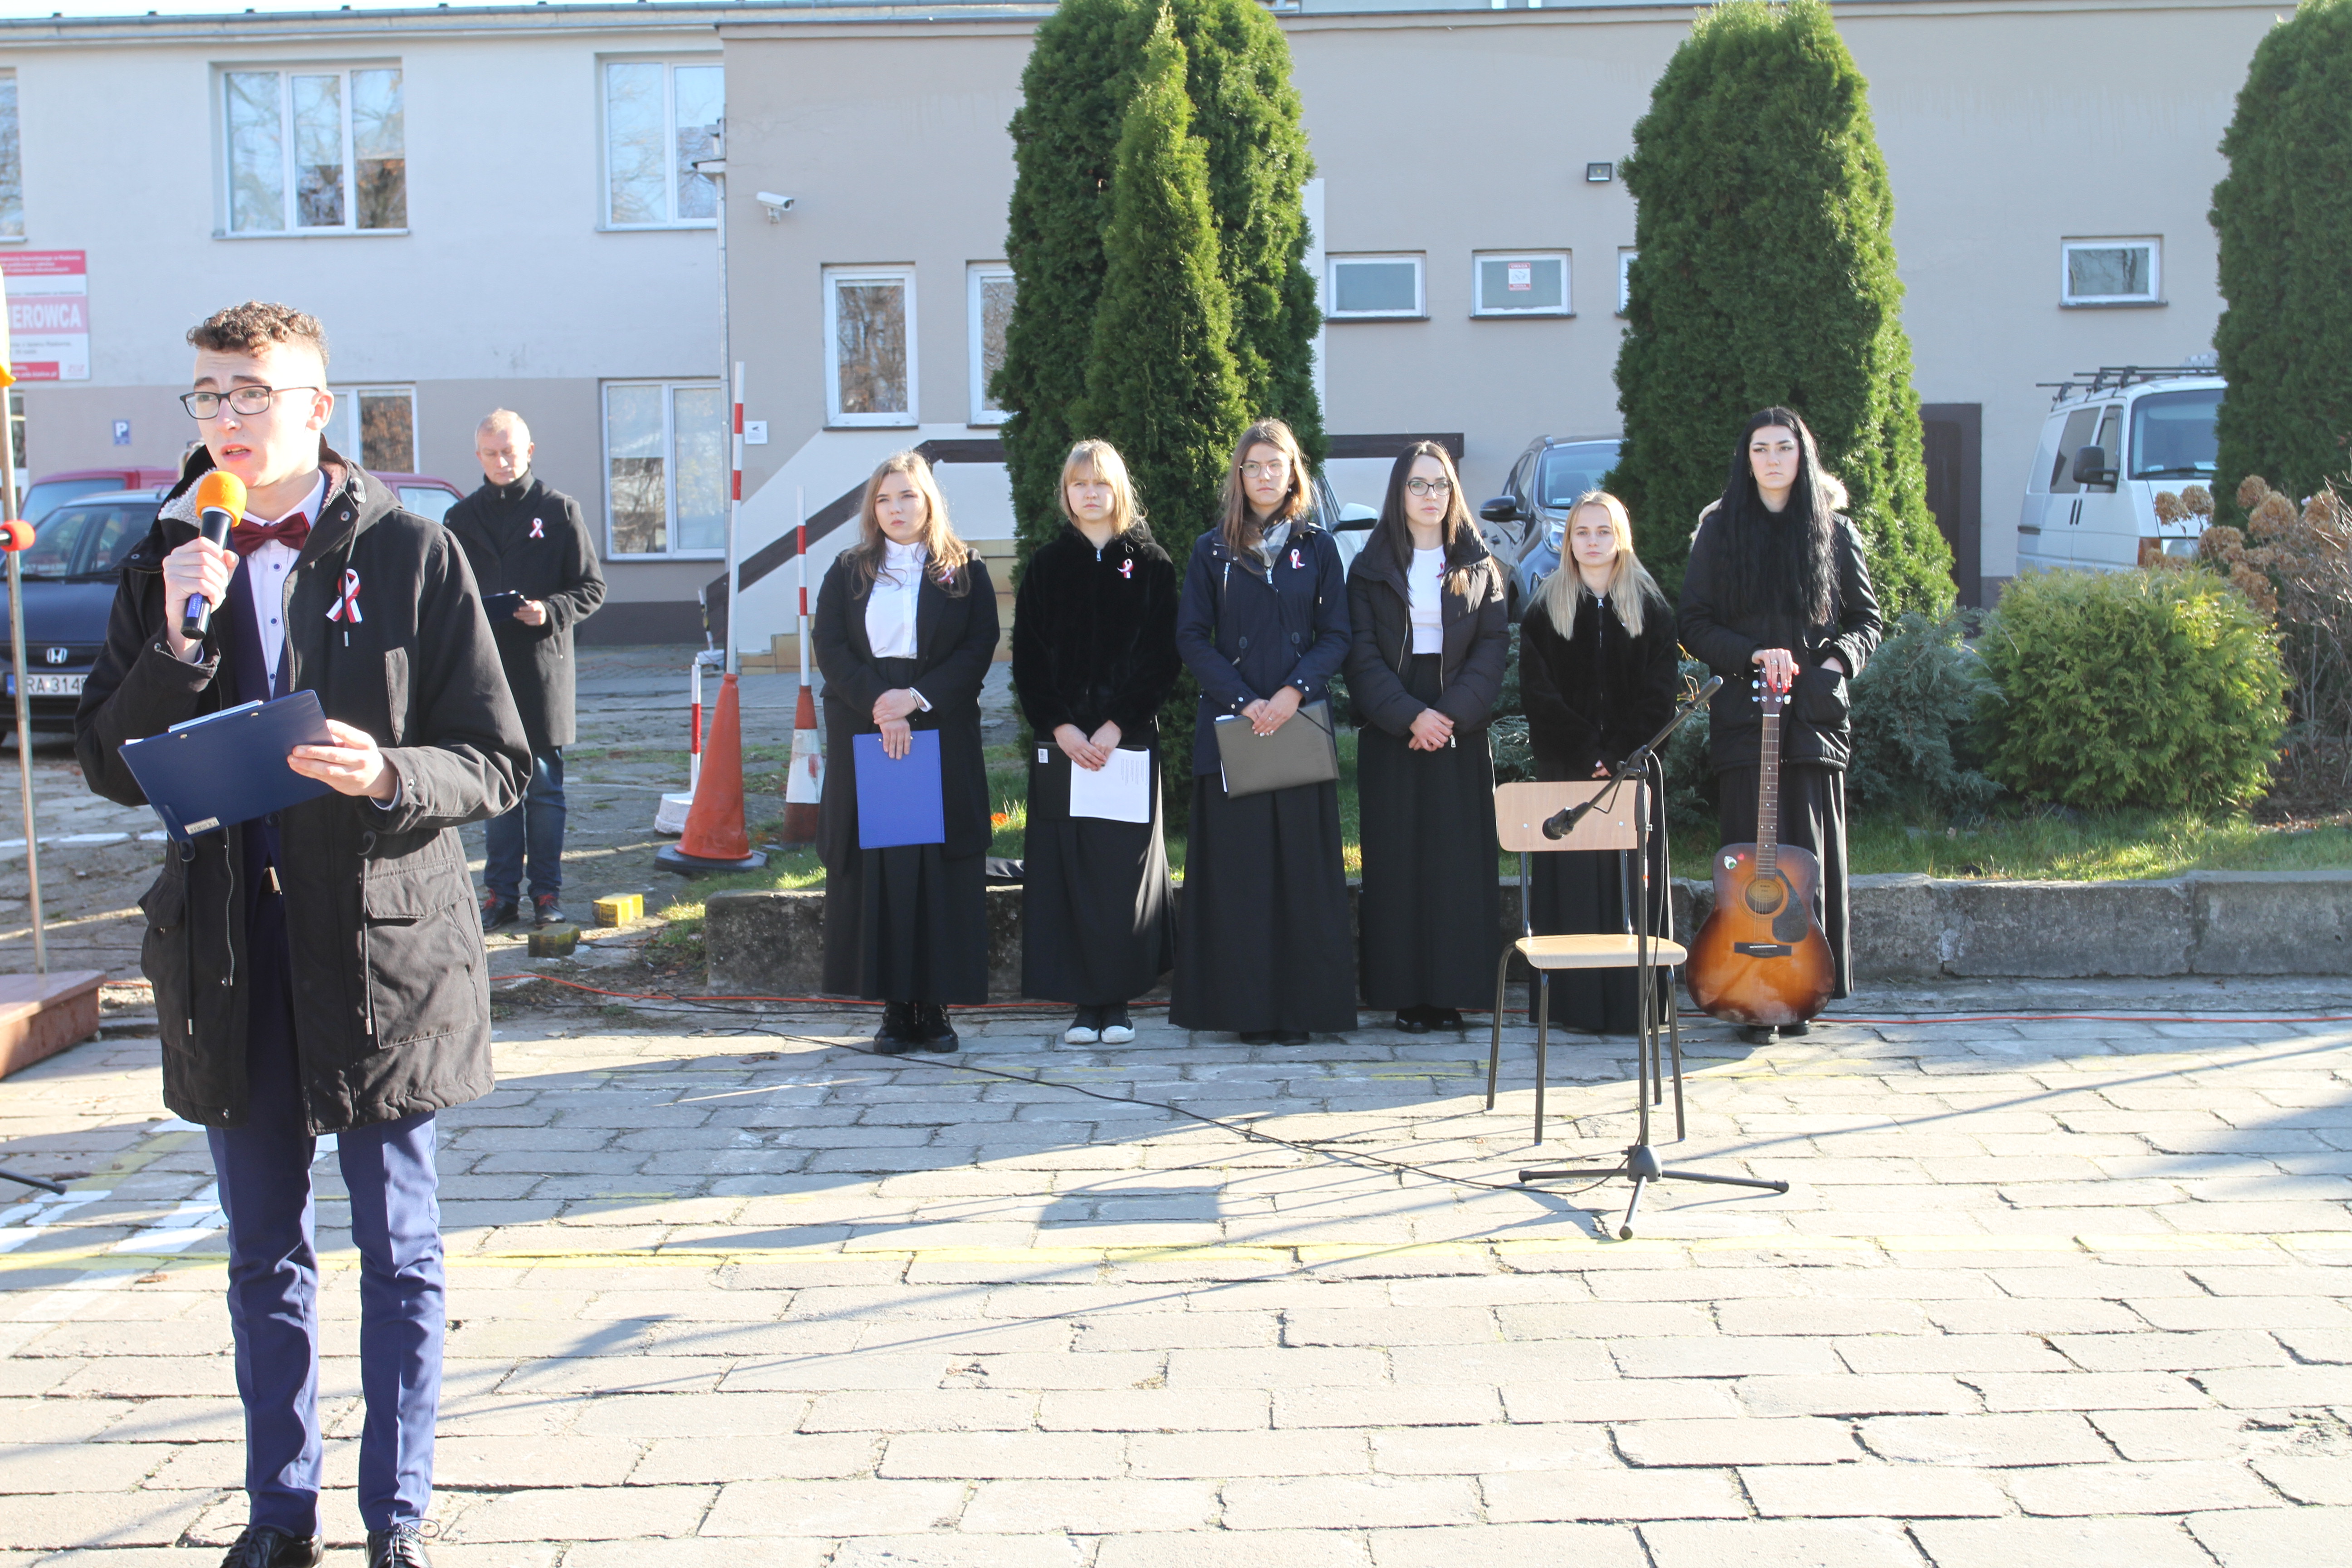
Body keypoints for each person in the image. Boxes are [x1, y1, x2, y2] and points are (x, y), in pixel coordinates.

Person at [74, 302, 529, 1568]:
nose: (226, 417)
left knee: (400, 1247)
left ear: (317, 408)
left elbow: (496, 758)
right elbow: (105, 760)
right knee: (261, 1249)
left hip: (383, 945)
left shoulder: (413, 550)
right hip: (230, 950)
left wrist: (388, 772)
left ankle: (398, 1515)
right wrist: (177, 642)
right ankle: (281, 1512)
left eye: (251, 393)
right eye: (207, 394)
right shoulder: (167, 557)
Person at [1679, 406, 1883, 1024]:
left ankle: (1806, 989)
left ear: (1804, 456)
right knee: (1752, 856)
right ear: (1746, 460)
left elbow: (1866, 622)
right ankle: (1751, 989)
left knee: (1807, 852)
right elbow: (1694, 623)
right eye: (1761, 449)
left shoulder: (1835, 532)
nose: (1773, 460)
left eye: (1784, 448)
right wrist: (1750, 655)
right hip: (1747, 717)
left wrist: (1834, 665)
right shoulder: (1719, 533)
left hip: (1814, 719)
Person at [1169, 417, 1354, 1044]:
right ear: (1240, 476)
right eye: (1255, 466)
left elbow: (1338, 635)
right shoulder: (1210, 550)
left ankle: (1302, 1011)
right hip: (1235, 727)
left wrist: (1292, 692)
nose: (1266, 476)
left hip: (1298, 725)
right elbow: (1192, 637)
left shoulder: (1319, 547)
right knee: (1242, 877)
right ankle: (1247, 1011)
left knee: (1302, 875)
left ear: (1293, 472)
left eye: (1277, 465)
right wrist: (1246, 700)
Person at [813, 451, 1000, 1053]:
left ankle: (936, 1007)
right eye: (884, 499)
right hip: (866, 727)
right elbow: (830, 646)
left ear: (929, 501)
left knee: (936, 866)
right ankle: (895, 1009)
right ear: (874, 509)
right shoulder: (849, 570)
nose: (896, 508)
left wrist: (914, 701)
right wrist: (882, 705)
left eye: (907, 496)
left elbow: (979, 646)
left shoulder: (964, 569)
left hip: (938, 724)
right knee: (884, 866)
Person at [1011, 439, 1181, 1044]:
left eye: (1100, 483)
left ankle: (1119, 1002)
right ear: (1066, 493)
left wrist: (1116, 726)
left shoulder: (1152, 564)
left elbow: (1162, 658)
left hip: (1124, 745)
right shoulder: (1047, 566)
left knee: (1119, 875)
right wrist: (1061, 727)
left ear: (1118, 490)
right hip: (1064, 747)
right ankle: (1086, 1003)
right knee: (1070, 871)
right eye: (1079, 484)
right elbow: (1029, 659)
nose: (1090, 493)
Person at [1343, 441, 1509, 1034]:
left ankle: (1453, 993)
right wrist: (1410, 715)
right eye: (1418, 484)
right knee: (1399, 862)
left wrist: (1449, 716)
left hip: (1459, 721)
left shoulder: (1479, 564)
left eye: (1440, 484)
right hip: (1394, 723)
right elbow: (1360, 654)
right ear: (1400, 492)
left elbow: (1492, 649)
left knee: (1456, 862)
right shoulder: (1369, 567)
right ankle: (1406, 996)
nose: (1430, 495)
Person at [1519, 490, 1681, 1034]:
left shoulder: (1651, 608)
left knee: (1630, 889)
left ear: (1620, 538)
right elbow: (1538, 694)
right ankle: (1575, 1006)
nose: (1593, 542)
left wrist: (1621, 756)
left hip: (1633, 773)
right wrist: (1587, 752)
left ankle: (1634, 1007)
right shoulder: (1544, 609)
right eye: (1582, 532)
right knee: (1575, 891)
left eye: (1603, 531)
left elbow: (1660, 695)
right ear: (1568, 541)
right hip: (1568, 773)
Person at [442, 408, 606, 930]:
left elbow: (591, 587)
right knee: (498, 789)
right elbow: (445, 595)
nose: (502, 462)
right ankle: (500, 895)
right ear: (478, 456)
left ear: (529, 451)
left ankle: (547, 894)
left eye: (510, 451)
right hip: (486, 673)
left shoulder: (558, 511)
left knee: (544, 789)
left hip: (541, 673)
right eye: (491, 453)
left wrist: (550, 611)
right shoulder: (460, 519)